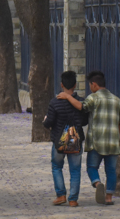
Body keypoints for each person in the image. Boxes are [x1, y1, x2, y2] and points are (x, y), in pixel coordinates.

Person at [57, 70, 120, 205]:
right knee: (111, 170)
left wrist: (67, 96)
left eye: (90, 85)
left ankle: (98, 183)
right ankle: (109, 197)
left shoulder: (93, 98)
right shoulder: (117, 100)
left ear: (94, 84)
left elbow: (81, 107)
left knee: (92, 167)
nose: (90, 88)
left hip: (96, 141)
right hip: (112, 142)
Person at [43, 71, 89, 207]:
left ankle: (61, 195)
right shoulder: (80, 102)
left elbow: (48, 123)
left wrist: (45, 120)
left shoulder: (54, 102)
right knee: (75, 170)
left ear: (61, 84)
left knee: (57, 167)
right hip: (76, 141)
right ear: (75, 85)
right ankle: (73, 199)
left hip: (59, 141)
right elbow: (85, 121)